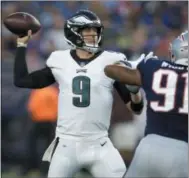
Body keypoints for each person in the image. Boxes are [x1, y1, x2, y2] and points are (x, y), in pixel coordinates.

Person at [14, 10, 144, 177]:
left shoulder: (111, 61)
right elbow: (22, 81)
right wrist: (21, 45)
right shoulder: (60, 60)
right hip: (66, 145)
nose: (93, 34)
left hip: (100, 144)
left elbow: (136, 108)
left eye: (95, 30)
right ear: (74, 32)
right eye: (87, 30)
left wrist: (135, 92)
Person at [104, 31, 188, 178]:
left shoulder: (154, 66)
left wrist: (134, 76)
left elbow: (110, 70)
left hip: (149, 146)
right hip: (182, 151)